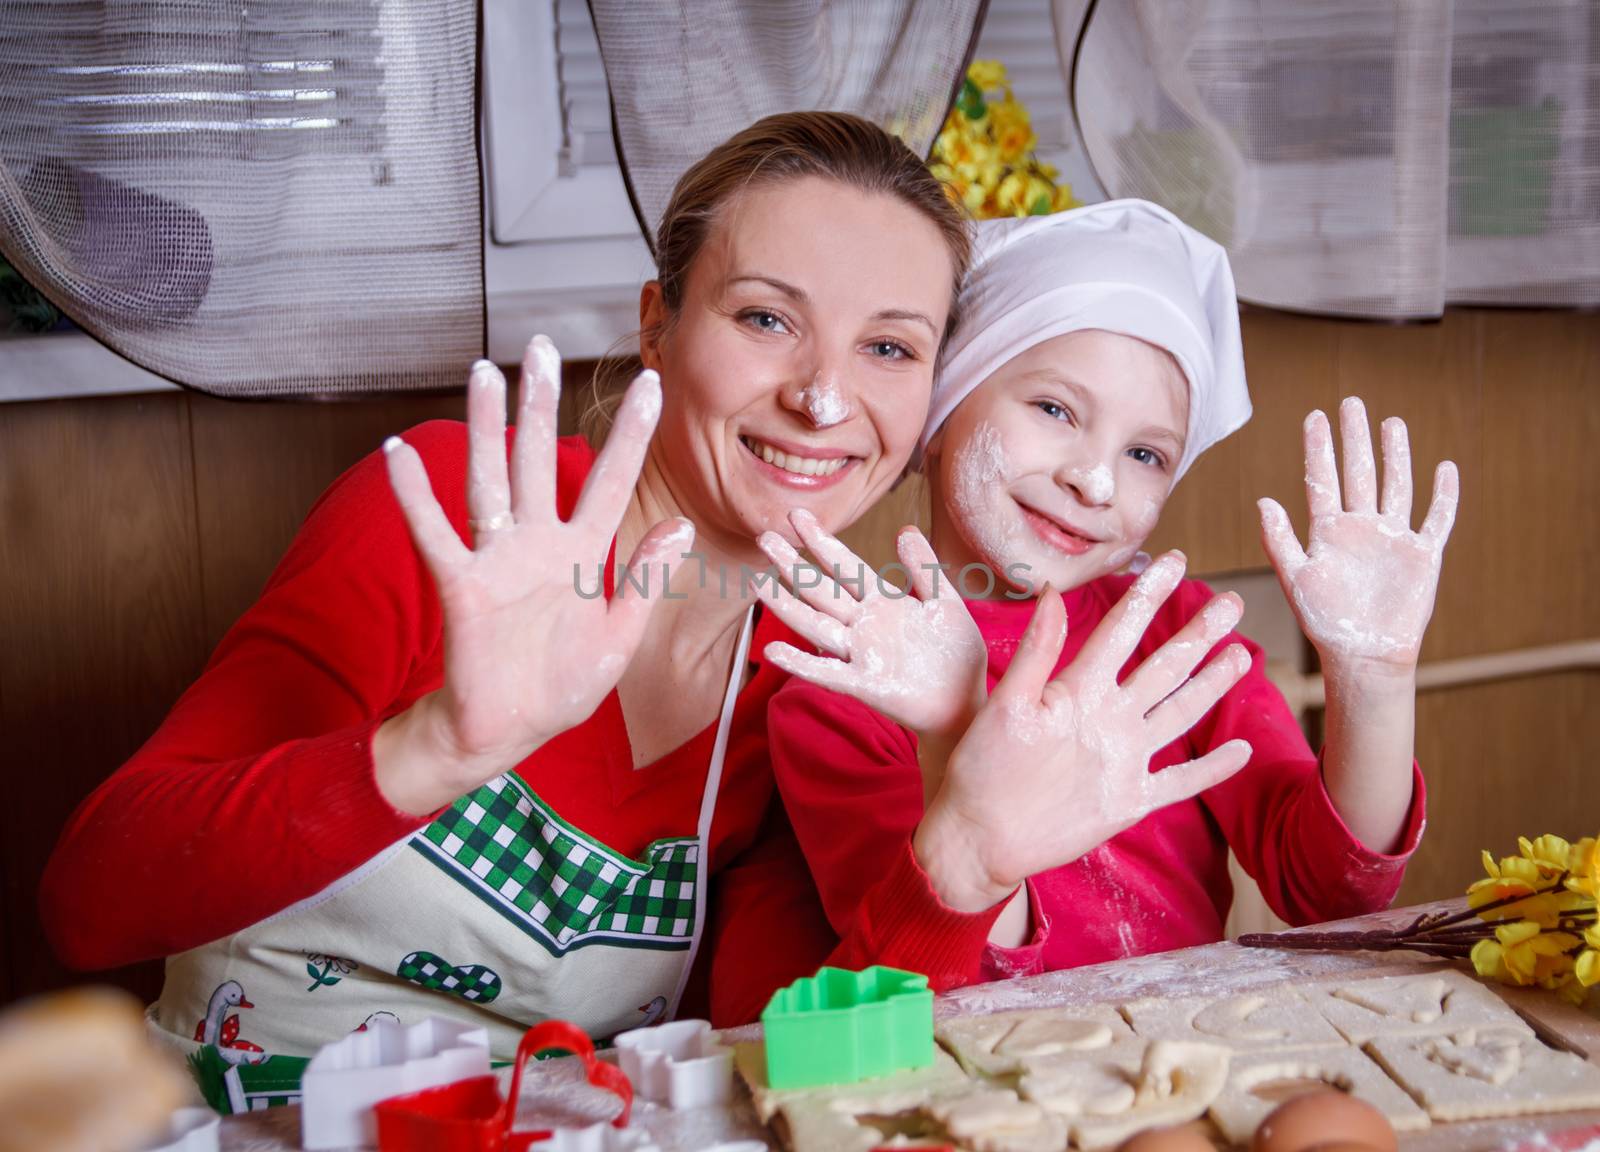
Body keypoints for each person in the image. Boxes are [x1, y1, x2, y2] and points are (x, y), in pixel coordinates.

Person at [39, 111, 974, 1067]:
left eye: (890, 348)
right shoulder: (454, 509)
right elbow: (92, 904)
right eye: (766, 319)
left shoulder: (803, 679)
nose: (822, 397)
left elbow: (782, 1065)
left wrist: (971, 856)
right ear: (659, 325)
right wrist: (434, 748)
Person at [753, 199, 1459, 988]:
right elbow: (946, 986)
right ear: (942, 413)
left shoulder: (1178, 639)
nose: (1093, 480)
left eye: (1146, 455)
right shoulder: (849, 681)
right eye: (1055, 410)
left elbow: (1329, 887)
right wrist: (960, 734)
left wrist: (1375, 681)